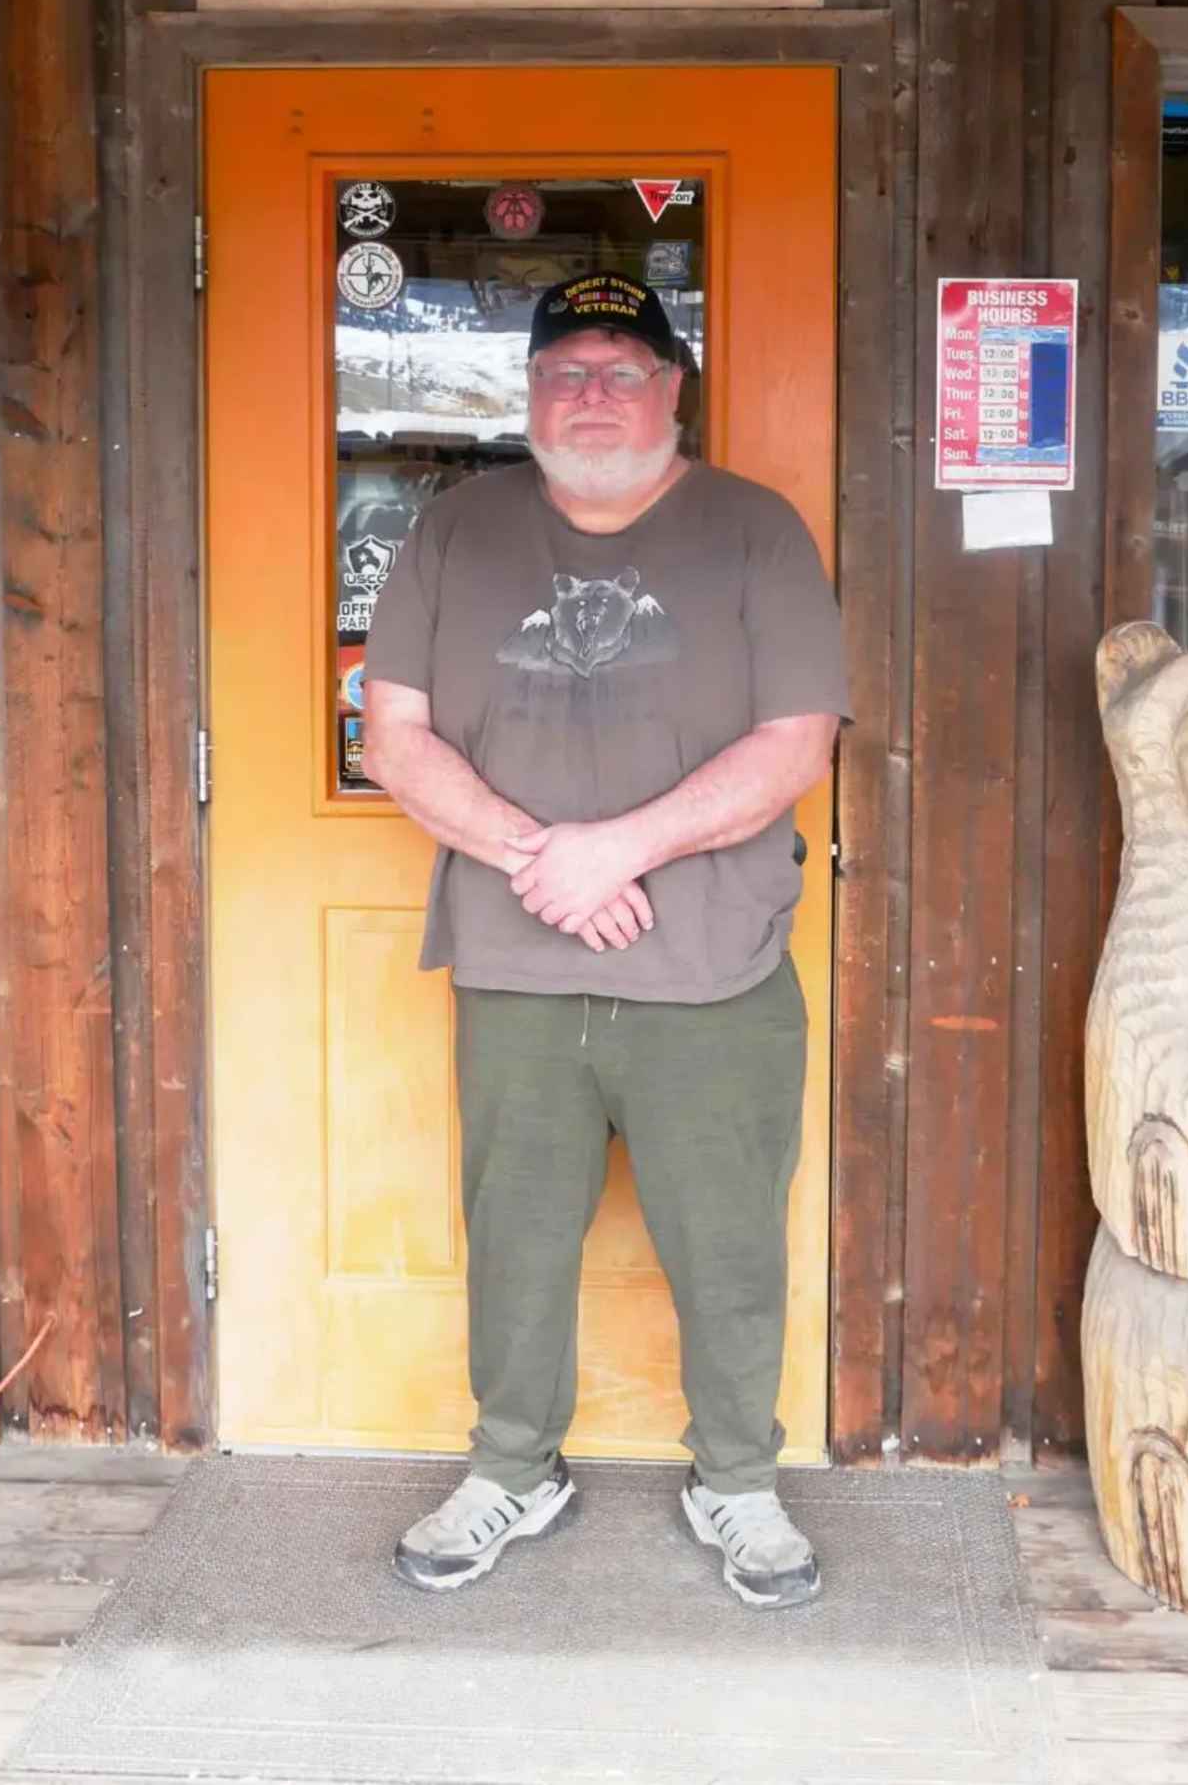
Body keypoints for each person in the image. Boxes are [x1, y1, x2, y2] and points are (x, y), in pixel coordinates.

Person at [361, 269, 850, 1610]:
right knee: (514, 1235)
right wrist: (543, 859)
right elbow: (391, 736)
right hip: (517, 966)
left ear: (670, 390)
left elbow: (796, 742)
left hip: (713, 966)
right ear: (529, 393)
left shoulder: (756, 533)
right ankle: (513, 1467)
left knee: (728, 1242)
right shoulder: (456, 532)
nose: (590, 394)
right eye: (565, 370)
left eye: (620, 370)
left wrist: (619, 849)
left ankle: (739, 1483)